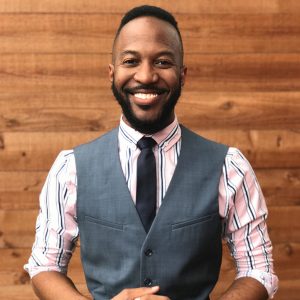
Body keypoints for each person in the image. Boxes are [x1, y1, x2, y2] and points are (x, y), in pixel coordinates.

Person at [25, 5, 278, 300]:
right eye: (131, 60)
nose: (146, 76)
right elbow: (45, 267)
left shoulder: (230, 167)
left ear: (182, 75)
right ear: (112, 73)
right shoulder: (70, 169)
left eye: (162, 62)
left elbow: (258, 270)